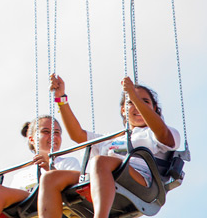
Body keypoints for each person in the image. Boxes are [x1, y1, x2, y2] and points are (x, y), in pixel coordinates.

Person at [37, 74, 181, 218]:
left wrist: (134, 96)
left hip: (142, 183)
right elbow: (77, 135)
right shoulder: (112, 138)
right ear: (123, 110)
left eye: (145, 101)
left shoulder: (157, 132)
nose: (137, 105)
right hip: (104, 176)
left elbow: (164, 135)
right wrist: (61, 98)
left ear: (154, 108)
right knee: (50, 178)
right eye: (130, 103)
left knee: (99, 161)